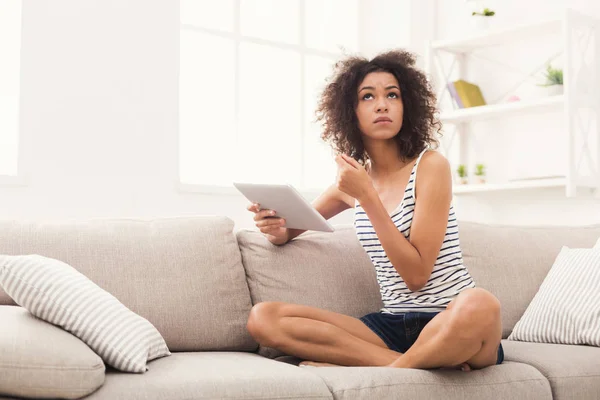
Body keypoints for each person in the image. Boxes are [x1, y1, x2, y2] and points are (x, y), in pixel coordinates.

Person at [245, 50, 503, 371]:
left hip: (448, 316)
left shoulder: (430, 166)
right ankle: (417, 365)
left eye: (392, 95)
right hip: (391, 327)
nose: (382, 104)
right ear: (350, 112)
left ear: (406, 106)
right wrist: (275, 227)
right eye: (368, 96)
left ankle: (392, 368)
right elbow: (290, 230)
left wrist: (368, 198)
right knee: (264, 318)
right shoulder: (351, 184)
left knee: (481, 304)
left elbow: (417, 276)